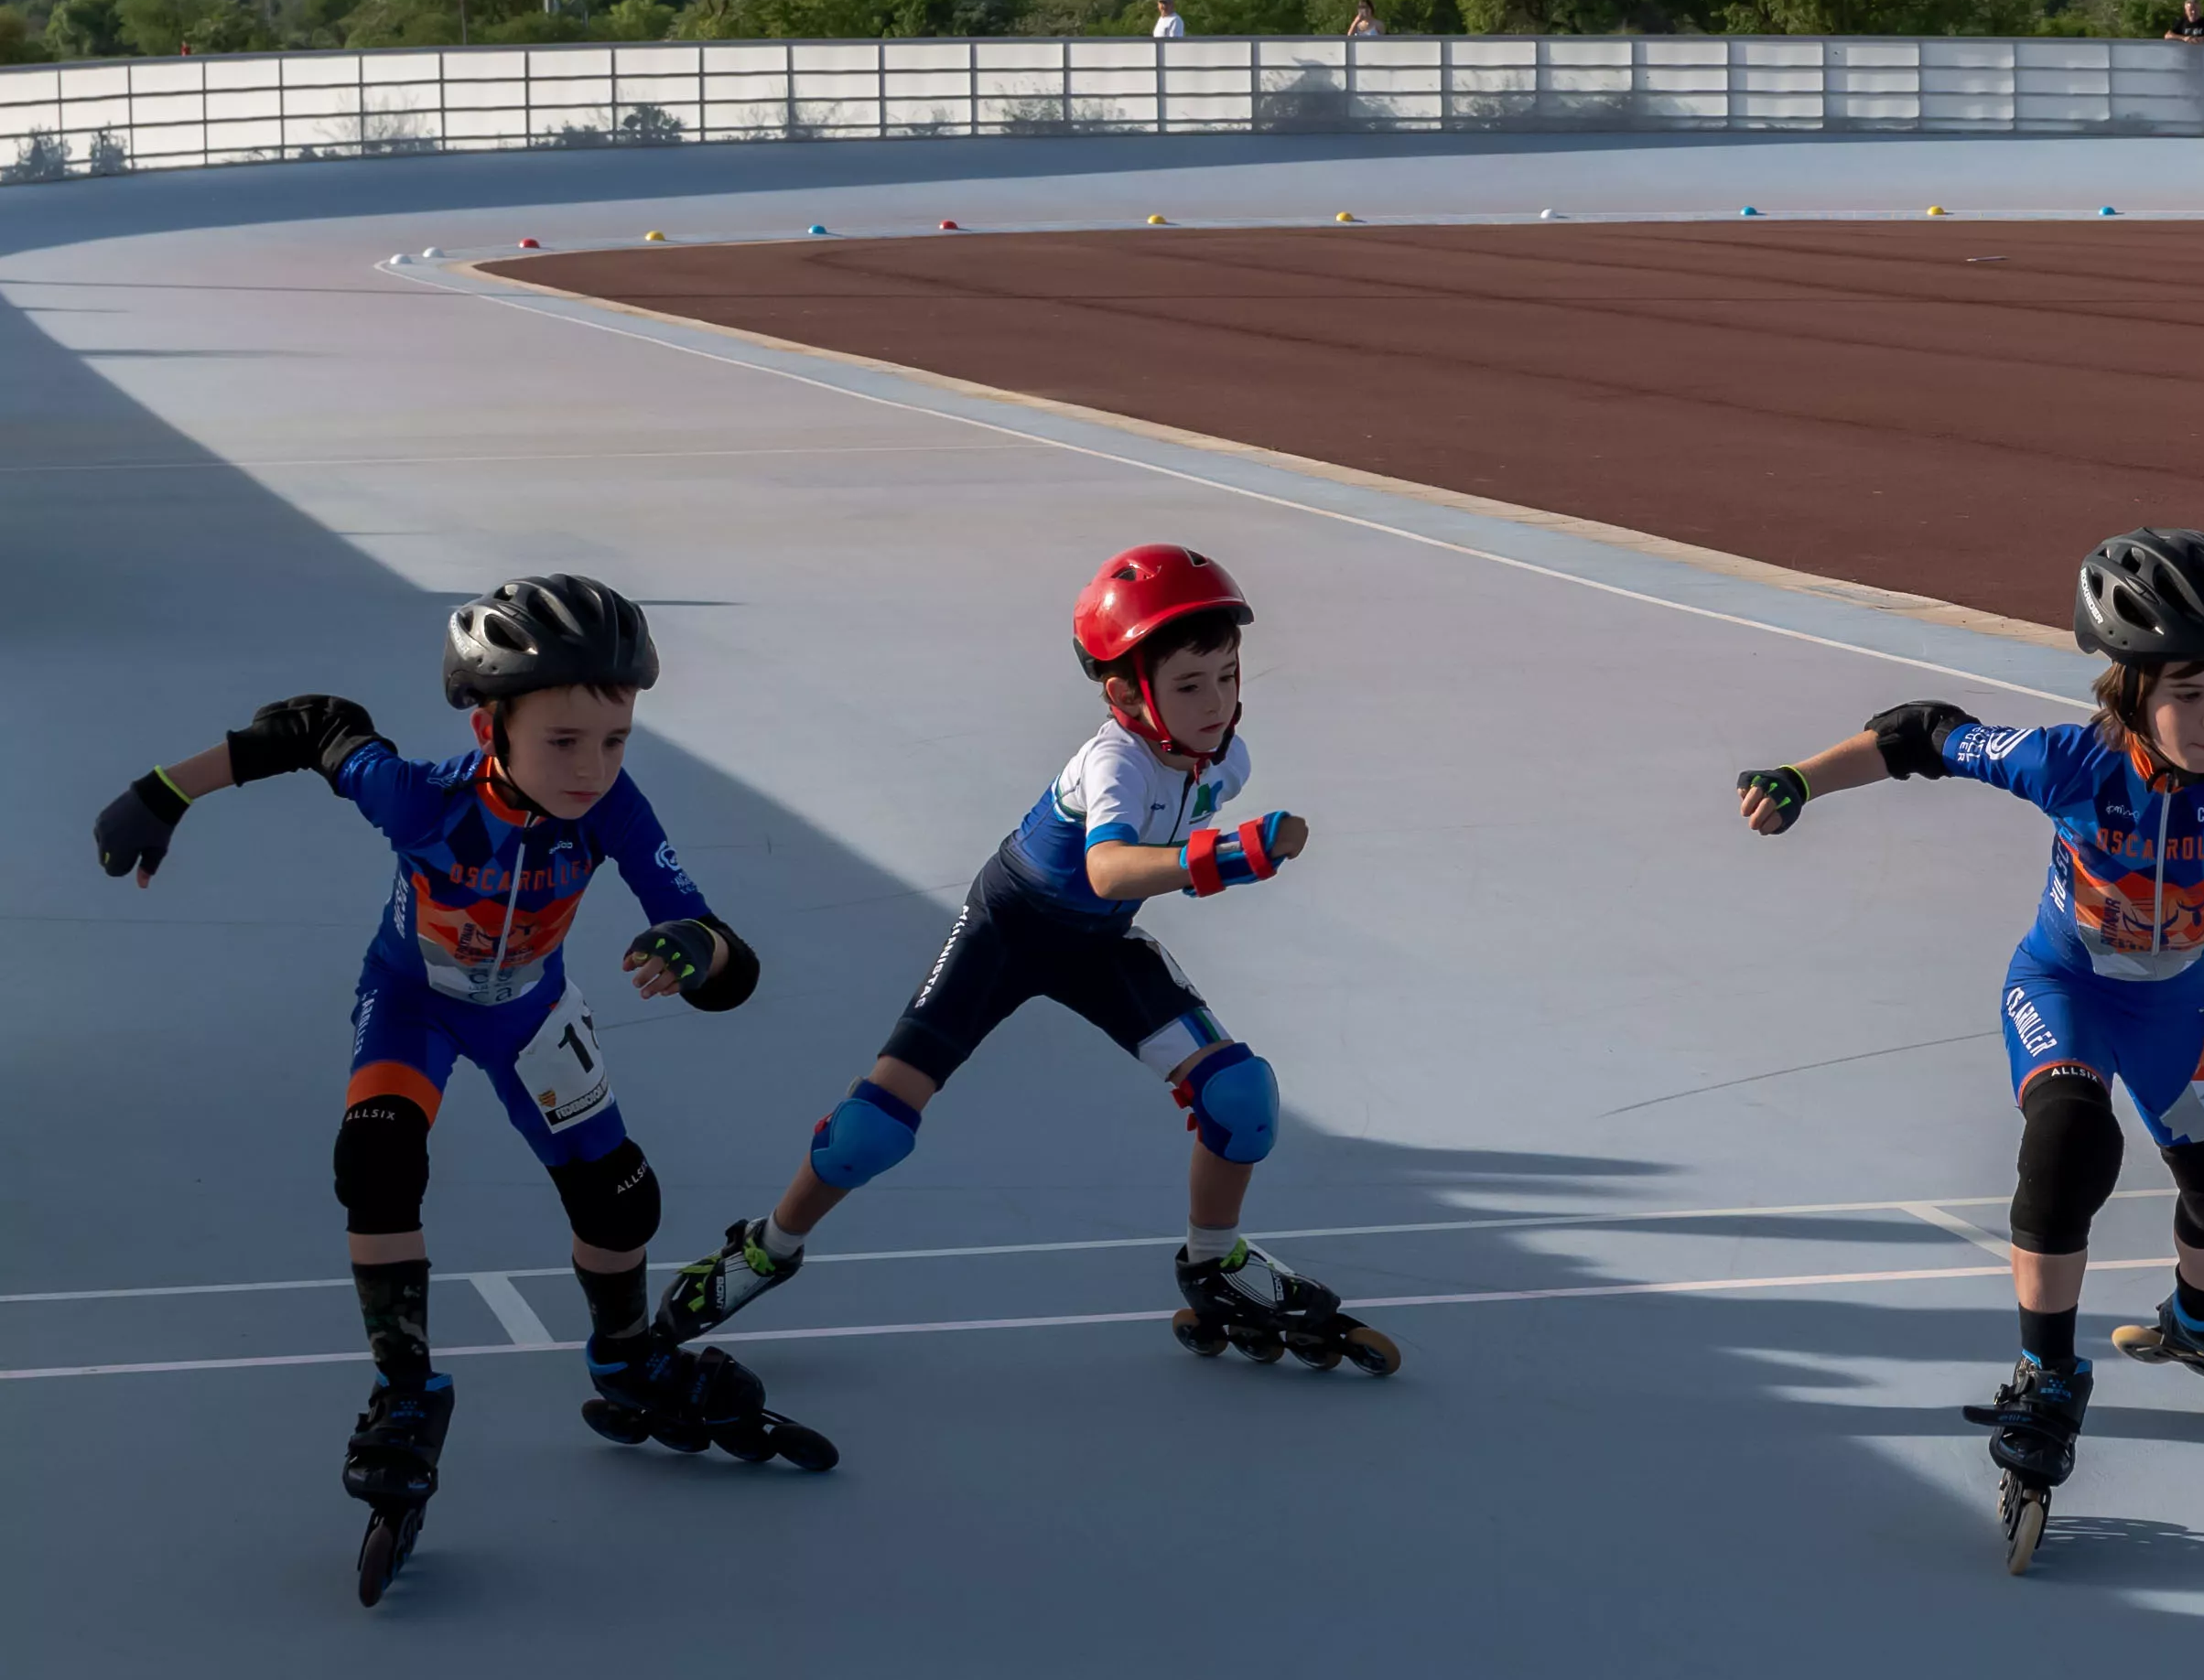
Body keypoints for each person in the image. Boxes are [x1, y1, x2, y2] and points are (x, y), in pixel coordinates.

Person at [87, 576, 802, 1604]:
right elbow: (315, 728)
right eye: (564, 741)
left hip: (528, 1012)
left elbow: (722, 953)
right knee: (375, 1159)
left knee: (621, 1200)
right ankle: (405, 1384)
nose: (593, 770)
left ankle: (624, 1362)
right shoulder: (420, 797)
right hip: (414, 1001)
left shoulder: (616, 813)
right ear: (489, 724)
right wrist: (164, 791)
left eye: (615, 740)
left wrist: (702, 950)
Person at [1734, 531, 2204, 1574]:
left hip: (2174, 1008)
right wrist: (1799, 780)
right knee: (2069, 1145)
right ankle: (2044, 1373)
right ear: (2131, 690)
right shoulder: (2069, 760)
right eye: (2191, 692)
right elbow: (1920, 735)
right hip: (2063, 988)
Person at [654, 545, 1399, 1373]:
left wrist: (1217, 848)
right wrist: (1232, 854)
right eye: (1190, 686)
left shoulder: (1227, 758)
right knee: (870, 1130)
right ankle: (764, 1249)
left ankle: (1214, 1259)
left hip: (1095, 943)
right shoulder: (1115, 757)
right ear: (1123, 694)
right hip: (1004, 933)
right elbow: (1108, 867)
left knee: (1240, 1096)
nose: (1218, 703)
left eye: (1228, 676)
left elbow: (1124, 880)